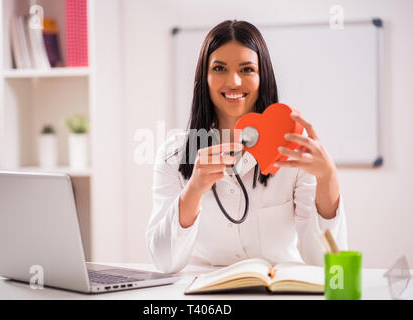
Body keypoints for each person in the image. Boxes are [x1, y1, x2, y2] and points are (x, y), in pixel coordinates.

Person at [146, 20, 347, 274]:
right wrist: (194, 190)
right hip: (202, 292)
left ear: (263, 77)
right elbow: (164, 262)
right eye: (219, 68)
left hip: (278, 287)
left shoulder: (293, 147)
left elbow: (328, 262)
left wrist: (328, 178)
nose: (233, 81)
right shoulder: (173, 154)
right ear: (204, 77)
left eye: (247, 69)